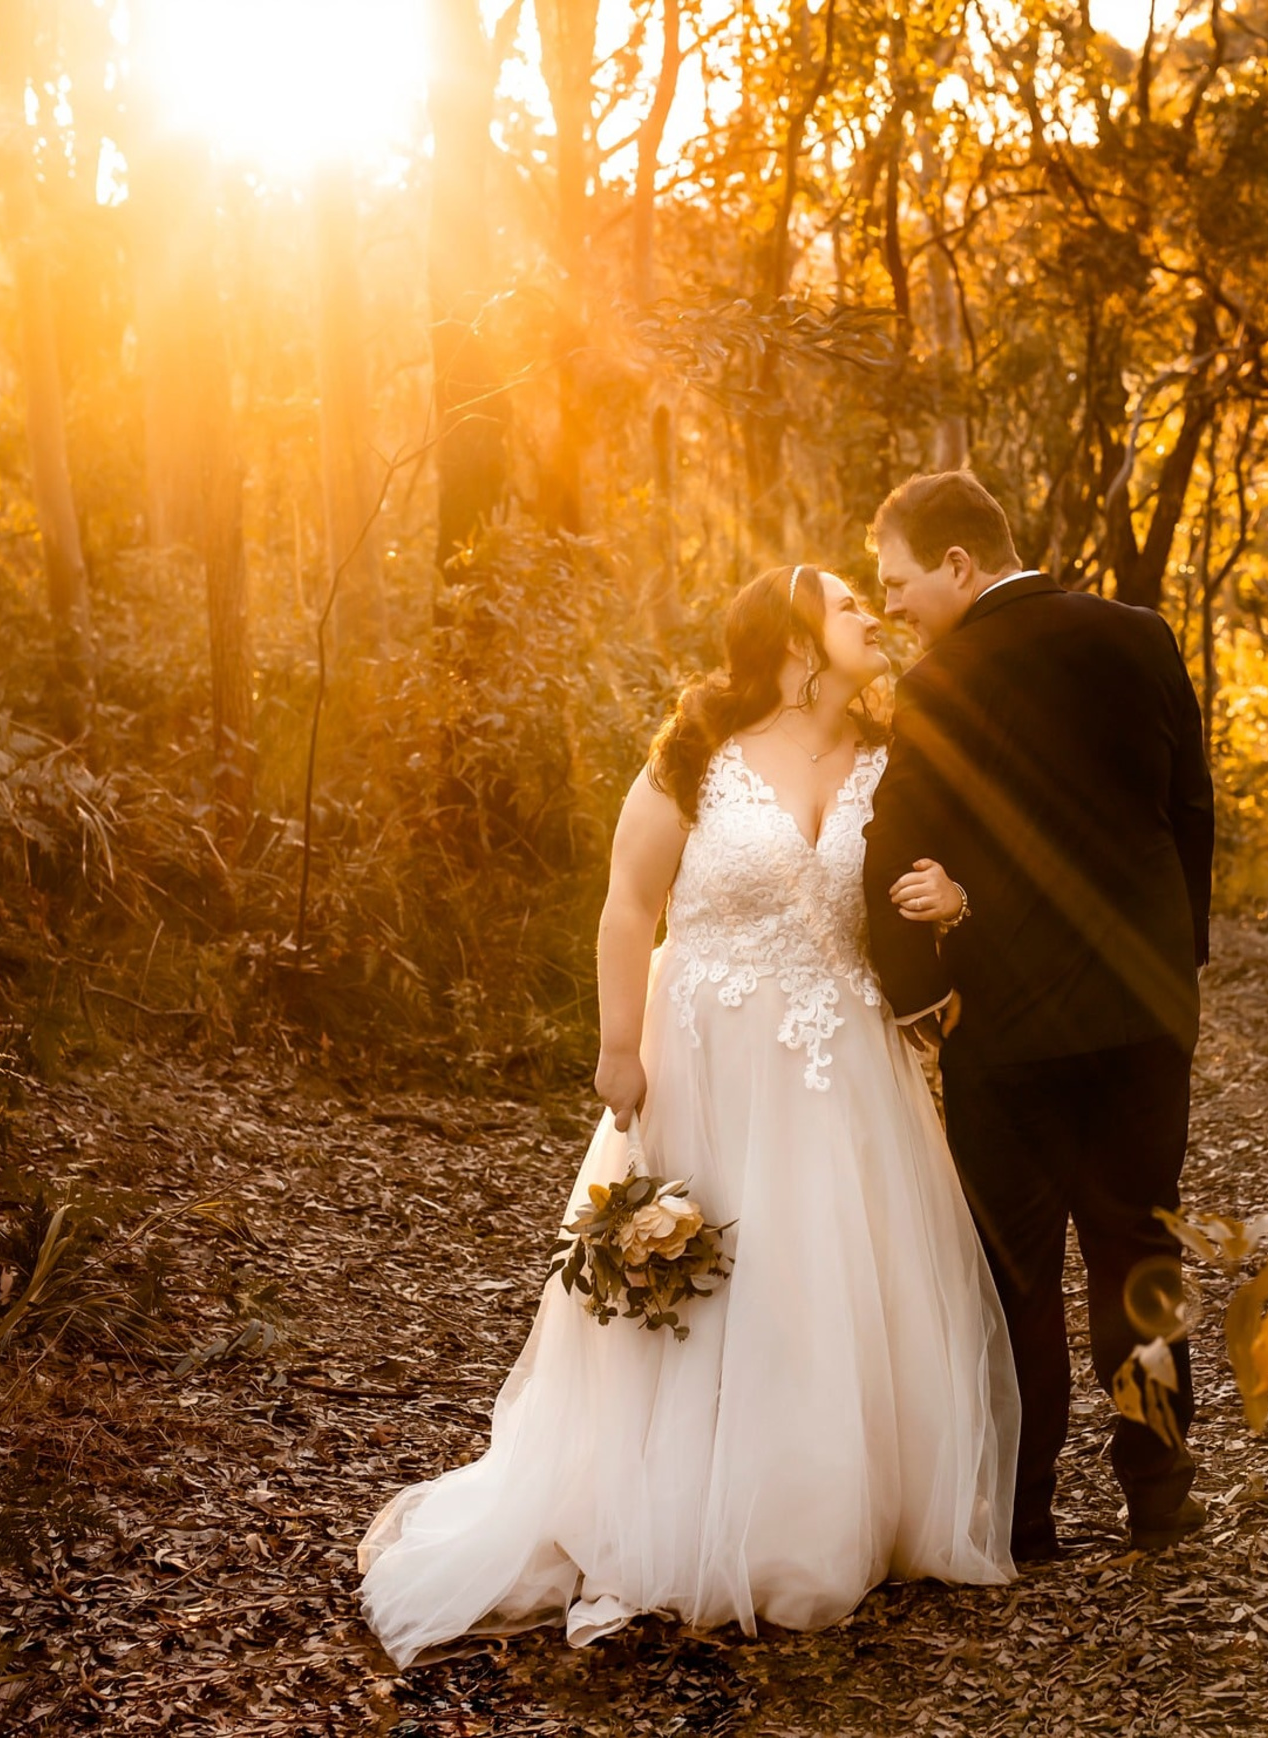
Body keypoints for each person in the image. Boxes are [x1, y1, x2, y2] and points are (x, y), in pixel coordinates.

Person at [358, 566, 1017, 1664]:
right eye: (850, 607)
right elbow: (627, 899)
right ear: (798, 639)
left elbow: (938, 869)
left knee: (831, 1279)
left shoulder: (892, 759)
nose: (872, 619)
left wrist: (951, 897)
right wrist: (621, 1043)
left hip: (848, 1061)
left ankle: (816, 1513)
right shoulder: (695, 755)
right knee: (703, 1278)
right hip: (708, 1054)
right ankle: (658, 1514)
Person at [861, 471, 1215, 1561]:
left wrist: (922, 996)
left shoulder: (935, 686)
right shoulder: (1141, 636)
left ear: (961, 563)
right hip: (1142, 1017)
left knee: (1018, 1273)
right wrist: (1175, 961)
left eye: (902, 582)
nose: (895, 607)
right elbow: (1191, 809)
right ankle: (1157, 1497)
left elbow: (890, 858)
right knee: (1139, 1252)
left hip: (1003, 1029)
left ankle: (1024, 1514)